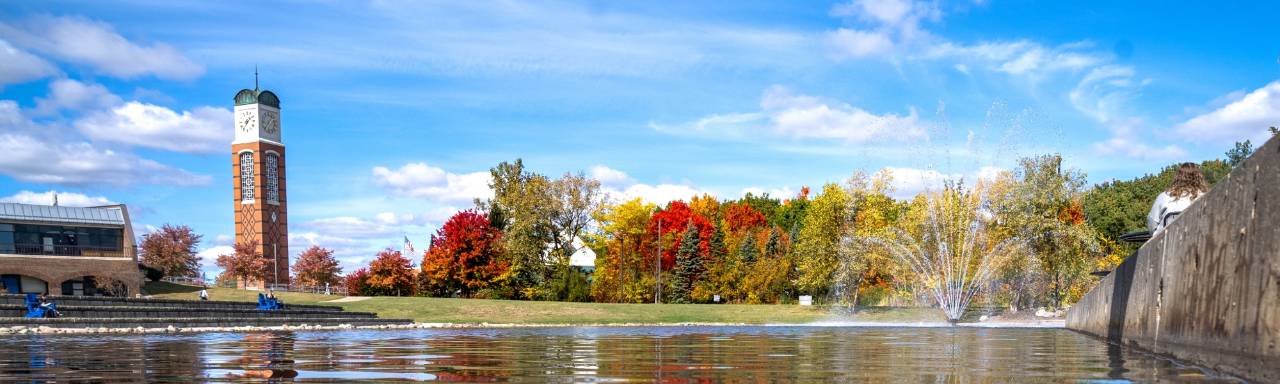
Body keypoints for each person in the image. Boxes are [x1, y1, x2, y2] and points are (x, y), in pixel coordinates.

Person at [1147, 163, 1209, 233]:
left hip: (1166, 242)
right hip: (1197, 241)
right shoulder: (1206, 198)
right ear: (1200, 178)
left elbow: (1152, 225)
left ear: (1177, 177)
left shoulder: (1163, 197)